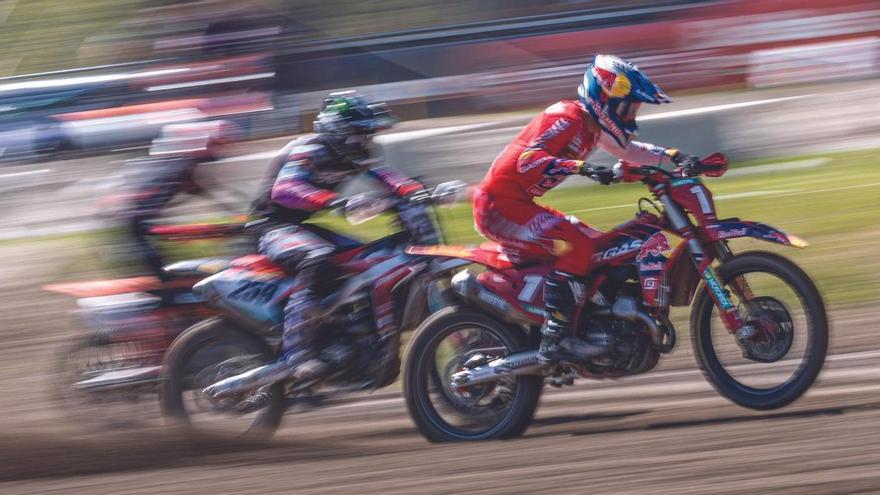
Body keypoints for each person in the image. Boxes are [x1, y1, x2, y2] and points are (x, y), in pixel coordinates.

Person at [473, 54, 703, 365]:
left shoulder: (591, 127)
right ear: (605, 97)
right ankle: (555, 338)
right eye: (627, 106)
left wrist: (673, 155)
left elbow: (630, 151)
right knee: (576, 245)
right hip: (498, 207)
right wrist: (584, 168)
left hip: (519, 204)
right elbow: (528, 160)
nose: (630, 114)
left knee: (598, 247)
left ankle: (590, 322)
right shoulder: (568, 117)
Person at [205, 91, 421, 399]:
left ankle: (350, 334)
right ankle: (297, 353)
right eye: (361, 132)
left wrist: (419, 192)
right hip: (270, 226)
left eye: (369, 132)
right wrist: (334, 201)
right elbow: (286, 189)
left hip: (303, 225)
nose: (367, 138)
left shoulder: (357, 155)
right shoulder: (309, 149)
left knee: (369, 257)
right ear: (339, 131)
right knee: (317, 258)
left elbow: (388, 177)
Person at [108, 120, 241, 281]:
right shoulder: (179, 163)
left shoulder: (182, 162)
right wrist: (229, 206)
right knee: (146, 248)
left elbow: (196, 187)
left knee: (150, 246)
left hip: (141, 212)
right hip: (134, 214)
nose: (221, 149)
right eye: (217, 144)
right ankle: (163, 282)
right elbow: (195, 187)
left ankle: (164, 278)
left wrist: (230, 205)